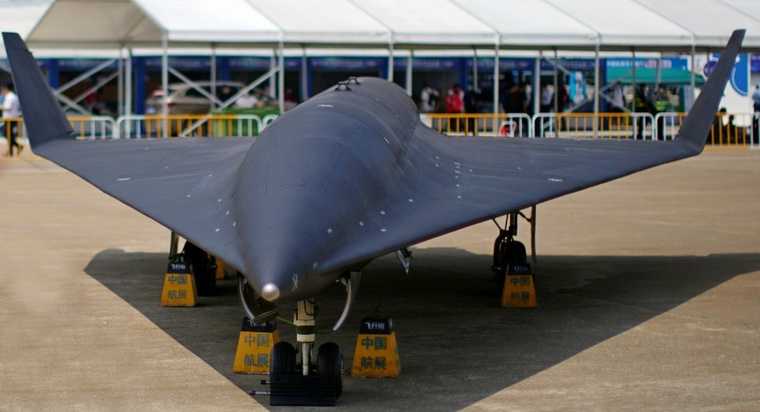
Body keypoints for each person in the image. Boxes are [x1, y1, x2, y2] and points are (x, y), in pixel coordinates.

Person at [1, 83, 22, 157]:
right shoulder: (14, 96)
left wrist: (1, 107)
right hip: (13, 118)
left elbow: (8, 108)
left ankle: (14, 149)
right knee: (9, 135)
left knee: (8, 135)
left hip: (9, 119)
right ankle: (11, 150)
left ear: (5, 89)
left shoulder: (9, 97)